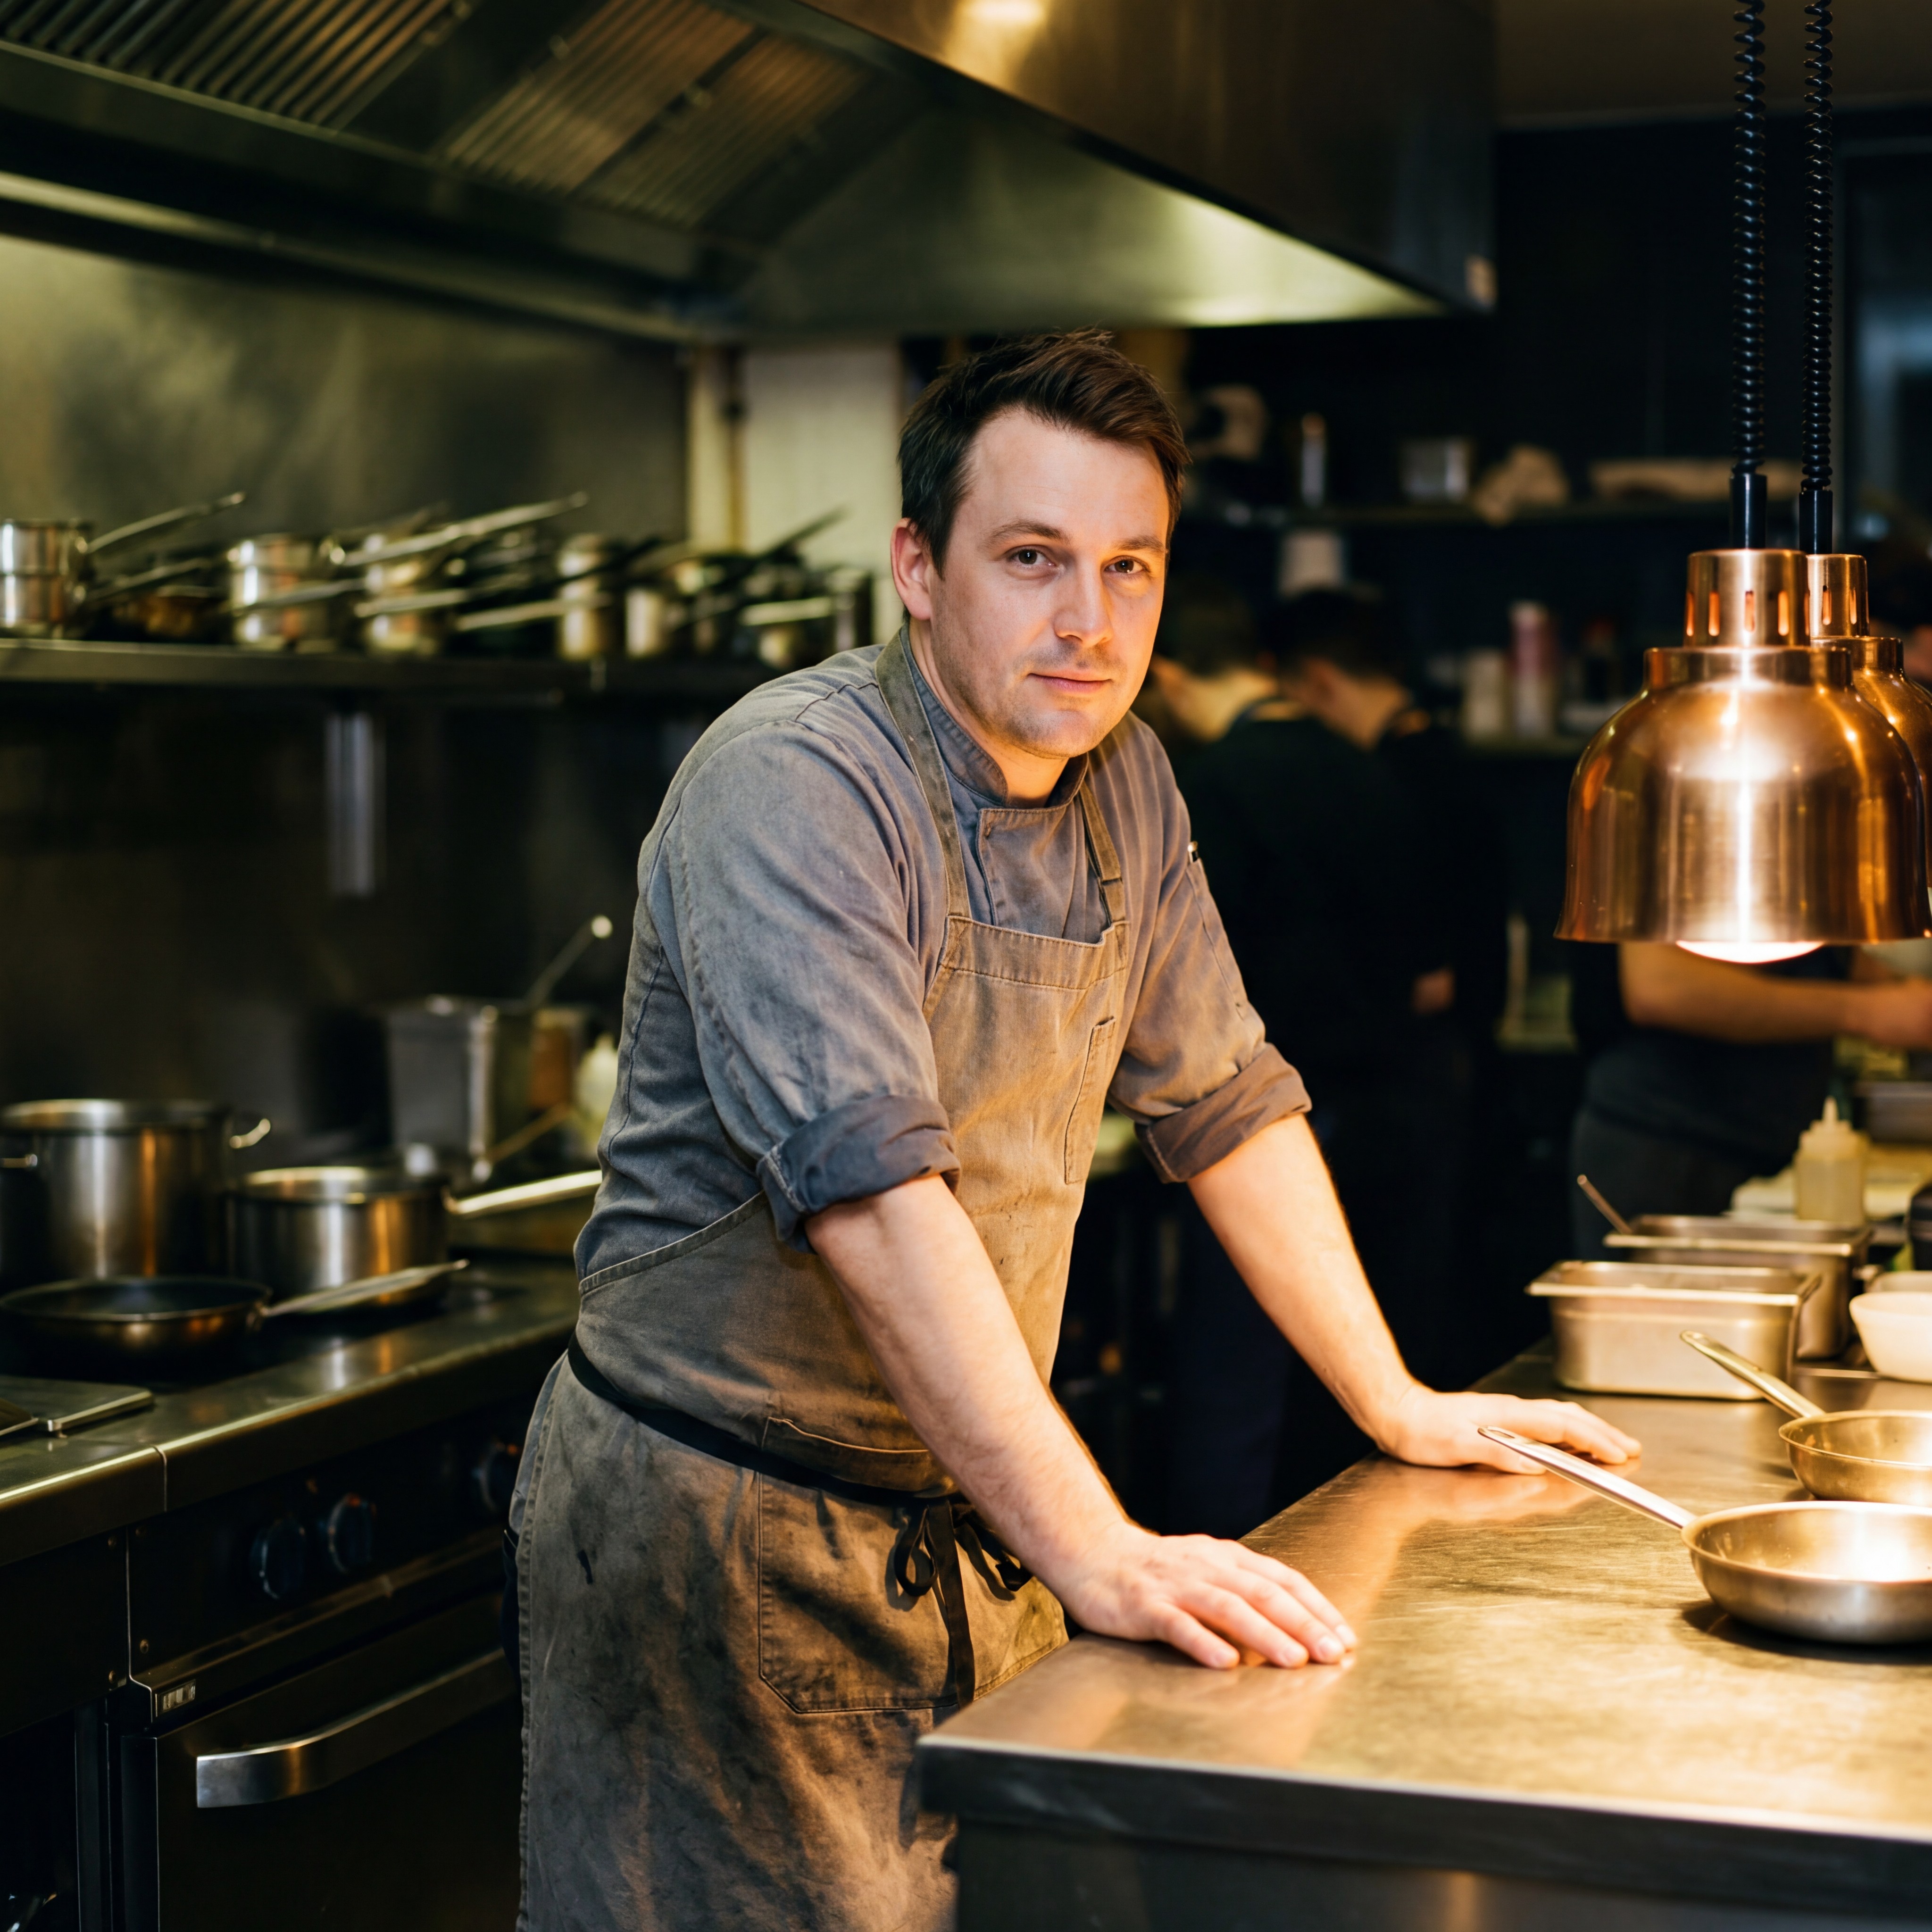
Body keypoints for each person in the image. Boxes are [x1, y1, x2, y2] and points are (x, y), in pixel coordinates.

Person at [513, 330, 1637, 1932]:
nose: (1088, 621)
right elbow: (873, 1197)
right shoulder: (793, 780)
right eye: (1032, 559)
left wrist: (1392, 1396)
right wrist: (1094, 1546)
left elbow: (1227, 1097)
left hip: (959, 1502)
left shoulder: (1127, 783)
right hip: (725, 1534)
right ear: (915, 564)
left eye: (1129, 566)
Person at [1145, 575, 1457, 1530]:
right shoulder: (1365, 763)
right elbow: (1428, 968)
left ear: (1166, 676)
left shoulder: (1211, 784)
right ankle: (1336, 1574)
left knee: (1233, 1389)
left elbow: (1181, 996)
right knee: (1356, 1388)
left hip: (1259, 1125)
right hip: (1395, 1105)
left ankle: (1227, 1575)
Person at [1568, 944, 1932, 1256]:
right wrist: (1867, 1011)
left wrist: (1896, 986)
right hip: (1664, 1147)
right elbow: (1659, 986)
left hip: (1768, 1145)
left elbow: (1824, 952)